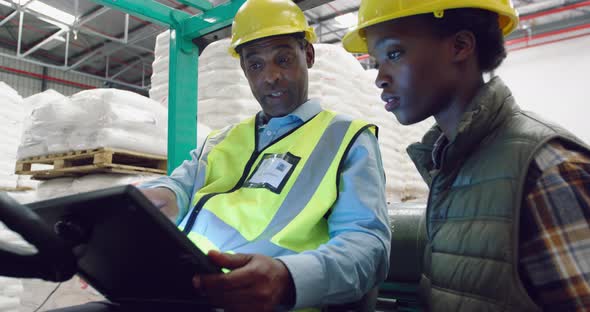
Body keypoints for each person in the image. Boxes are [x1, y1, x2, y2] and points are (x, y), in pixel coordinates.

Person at [47, 1, 390, 311]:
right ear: (243, 70)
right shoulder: (221, 140)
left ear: (309, 56)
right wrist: (157, 201)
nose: (270, 76)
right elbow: (178, 186)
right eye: (255, 64)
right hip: (177, 291)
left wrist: (290, 277)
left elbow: (368, 246)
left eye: (283, 59)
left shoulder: (346, 138)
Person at [343, 0, 590, 311]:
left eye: (394, 54)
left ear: (460, 46)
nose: (379, 77)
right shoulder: (451, 166)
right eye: (376, 62)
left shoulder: (546, 168)